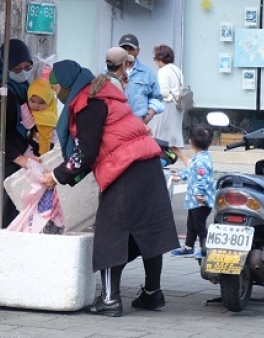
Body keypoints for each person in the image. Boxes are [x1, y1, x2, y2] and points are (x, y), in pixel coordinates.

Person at [38, 60, 179, 317]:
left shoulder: (89, 104)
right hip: (147, 166)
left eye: (57, 88)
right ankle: (152, 293)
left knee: (109, 234)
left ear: (68, 84)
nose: (57, 94)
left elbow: (87, 152)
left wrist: (57, 176)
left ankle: (110, 300)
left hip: (126, 170)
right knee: (148, 230)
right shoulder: (104, 95)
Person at [0, 39, 37, 227]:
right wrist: (21, 159)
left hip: (18, 158)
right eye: (17, 69)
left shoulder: (25, 88)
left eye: (27, 67)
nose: (23, 73)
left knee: (20, 218)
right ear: (6, 67)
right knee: (2, 219)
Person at [170, 125, 216, 258]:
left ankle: (205, 249)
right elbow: (191, 171)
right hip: (195, 200)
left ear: (190, 141)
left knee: (199, 225)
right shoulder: (200, 157)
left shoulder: (201, 160)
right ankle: (189, 247)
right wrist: (179, 176)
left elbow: (202, 178)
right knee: (191, 224)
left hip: (200, 200)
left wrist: (198, 194)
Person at [118, 34, 164, 134]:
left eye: (131, 48)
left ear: (138, 51)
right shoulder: (109, 71)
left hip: (139, 125)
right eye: (124, 48)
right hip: (116, 126)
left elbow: (157, 97)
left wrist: (149, 116)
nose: (127, 52)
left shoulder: (147, 72)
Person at [150, 44, 186, 158]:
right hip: (177, 107)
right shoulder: (177, 70)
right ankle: (185, 161)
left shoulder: (163, 71)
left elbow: (164, 92)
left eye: (155, 58)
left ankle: (160, 161)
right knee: (170, 140)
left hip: (167, 107)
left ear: (160, 58)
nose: (155, 61)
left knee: (158, 137)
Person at [20, 78, 59, 156]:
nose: (36, 105)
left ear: (48, 102)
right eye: (32, 101)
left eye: (41, 103)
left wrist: (43, 156)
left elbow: (45, 140)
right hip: (36, 140)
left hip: (45, 145)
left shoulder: (46, 119)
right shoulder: (39, 112)